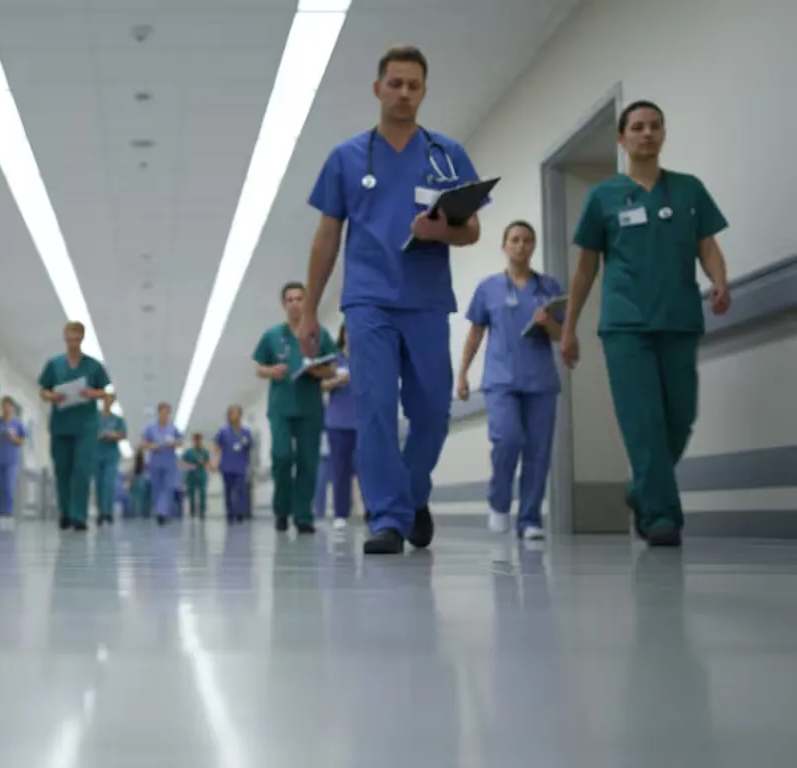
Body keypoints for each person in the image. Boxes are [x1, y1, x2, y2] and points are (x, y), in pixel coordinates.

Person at [299, 45, 486, 555]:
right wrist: (311, 309)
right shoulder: (345, 158)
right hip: (367, 300)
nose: (404, 93)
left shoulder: (446, 155)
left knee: (431, 411)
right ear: (378, 88)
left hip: (426, 300)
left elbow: (471, 230)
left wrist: (439, 232)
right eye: (396, 83)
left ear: (424, 92)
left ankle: (411, 494)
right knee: (375, 409)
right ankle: (386, 518)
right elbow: (326, 238)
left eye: (414, 85)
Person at [561, 100, 730, 548]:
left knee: (682, 416)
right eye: (637, 127)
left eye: (655, 126)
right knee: (643, 422)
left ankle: (640, 489)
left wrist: (719, 281)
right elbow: (584, 270)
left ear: (663, 134)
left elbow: (706, 244)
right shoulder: (603, 197)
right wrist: (568, 326)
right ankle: (661, 516)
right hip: (626, 326)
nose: (647, 134)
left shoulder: (688, 190)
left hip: (679, 319)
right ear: (622, 138)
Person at [457, 221, 563, 541]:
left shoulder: (549, 288)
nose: (521, 245)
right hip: (501, 380)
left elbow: (561, 335)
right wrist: (462, 374)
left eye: (527, 240)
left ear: (533, 246)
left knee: (538, 452)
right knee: (507, 439)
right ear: (504, 246)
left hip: (541, 380)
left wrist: (548, 325)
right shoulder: (488, 288)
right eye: (515, 240)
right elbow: (475, 334)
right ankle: (499, 501)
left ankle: (530, 519)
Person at [254, 281, 337, 535]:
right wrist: (272, 371)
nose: (295, 304)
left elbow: (332, 368)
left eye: (299, 298)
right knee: (281, 457)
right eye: (290, 299)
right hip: (281, 408)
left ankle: (303, 515)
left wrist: (316, 370)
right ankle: (281, 509)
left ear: (306, 302)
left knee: (307, 462)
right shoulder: (272, 336)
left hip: (310, 408)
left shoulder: (318, 334)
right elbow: (259, 368)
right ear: (284, 304)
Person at [38, 321, 112, 531]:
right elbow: (43, 390)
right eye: (69, 337)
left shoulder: (93, 366)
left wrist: (92, 393)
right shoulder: (54, 364)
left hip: (86, 425)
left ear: (81, 338)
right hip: (61, 423)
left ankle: (79, 516)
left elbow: (105, 392)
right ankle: (65, 513)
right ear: (64, 337)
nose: (72, 341)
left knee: (81, 470)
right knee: (62, 469)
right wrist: (51, 395)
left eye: (76, 337)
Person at [319, 324, 358, 530]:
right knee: (340, 470)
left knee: (366, 467)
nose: (352, 335)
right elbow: (321, 386)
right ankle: (341, 513)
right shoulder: (334, 360)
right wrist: (337, 380)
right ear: (342, 335)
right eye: (349, 331)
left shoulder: (366, 358)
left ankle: (373, 510)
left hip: (362, 422)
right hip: (337, 423)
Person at [141, 402, 185, 525]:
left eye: (166, 412)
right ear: (159, 412)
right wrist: (152, 446)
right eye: (162, 412)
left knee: (168, 487)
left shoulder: (172, 428)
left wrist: (174, 443)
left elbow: (180, 441)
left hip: (169, 461)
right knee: (157, 488)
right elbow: (144, 442)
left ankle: (162, 513)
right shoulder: (151, 428)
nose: (164, 415)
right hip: (155, 461)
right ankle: (159, 511)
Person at [0, 396, 26, 520]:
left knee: (9, 485)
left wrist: (13, 437)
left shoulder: (18, 423)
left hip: (12, 459)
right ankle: (0, 512)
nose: (6, 408)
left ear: (12, 407)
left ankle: (7, 512)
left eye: (8, 405)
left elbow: (22, 441)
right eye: (3, 405)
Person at [213, 405, 254, 524]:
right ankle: (230, 513)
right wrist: (214, 462)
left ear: (240, 415)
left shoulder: (245, 432)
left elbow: (250, 447)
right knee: (228, 490)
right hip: (227, 466)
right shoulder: (223, 432)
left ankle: (239, 513)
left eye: (236, 414)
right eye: (232, 414)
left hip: (241, 466)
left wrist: (251, 466)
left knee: (240, 490)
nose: (234, 416)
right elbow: (217, 447)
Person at [94, 393, 129, 525]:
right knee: (99, 484)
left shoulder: (118, 420)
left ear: (113, 402)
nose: (108, 402)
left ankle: (107, 513)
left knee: (108, 483)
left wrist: (112, 435)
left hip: (111, 455)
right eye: (106, 400)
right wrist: (98, 435)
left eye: (111, 400)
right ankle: (100, 512)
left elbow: (123, 434)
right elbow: (89, 432)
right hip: (96, 454)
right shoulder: (95, 418)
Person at [180, 433, 213, 519]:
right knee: (191, 494)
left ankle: (202, 511)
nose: (198, 442)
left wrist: (208, 466)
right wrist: (190, 466)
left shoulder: (204, 452)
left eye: (199, 440)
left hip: (201, 474)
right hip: (191, 475)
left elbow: (208, 462)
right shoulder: (189, 452)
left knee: (202, 493)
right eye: (196, 440)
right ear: (194, 441)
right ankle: (192, 511)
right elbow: (181, 463)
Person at [127, 451, 151, 519]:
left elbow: (131, 477)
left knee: (137, 503)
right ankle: (143, 515)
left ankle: (137, 515)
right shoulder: (138, 468)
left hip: (140, 485)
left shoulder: (143, 467)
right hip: (140, 485)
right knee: (142, 503)